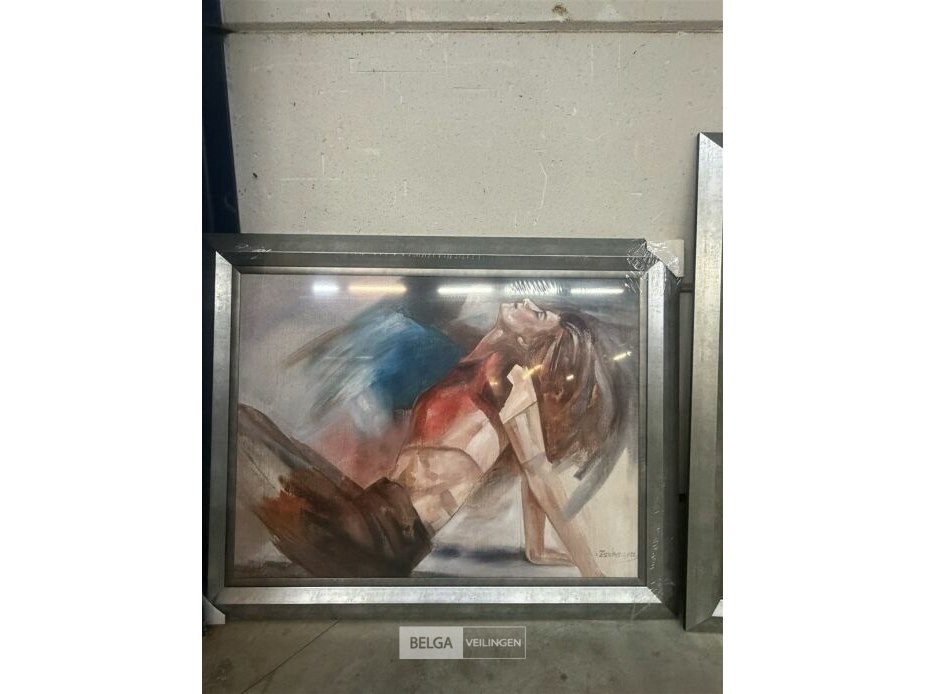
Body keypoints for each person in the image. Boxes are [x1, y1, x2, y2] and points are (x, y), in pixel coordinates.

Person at [239, 298, 631, 578]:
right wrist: (536, 547)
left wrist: (591, 571)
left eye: (539, 313)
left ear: (536, 342)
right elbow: (530, 468)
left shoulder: (512, 380)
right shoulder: (474, 361)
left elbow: (538, 471)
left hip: (378, 541)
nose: (526, 303)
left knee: (238, 431)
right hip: (364, 514)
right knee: (245, 423)